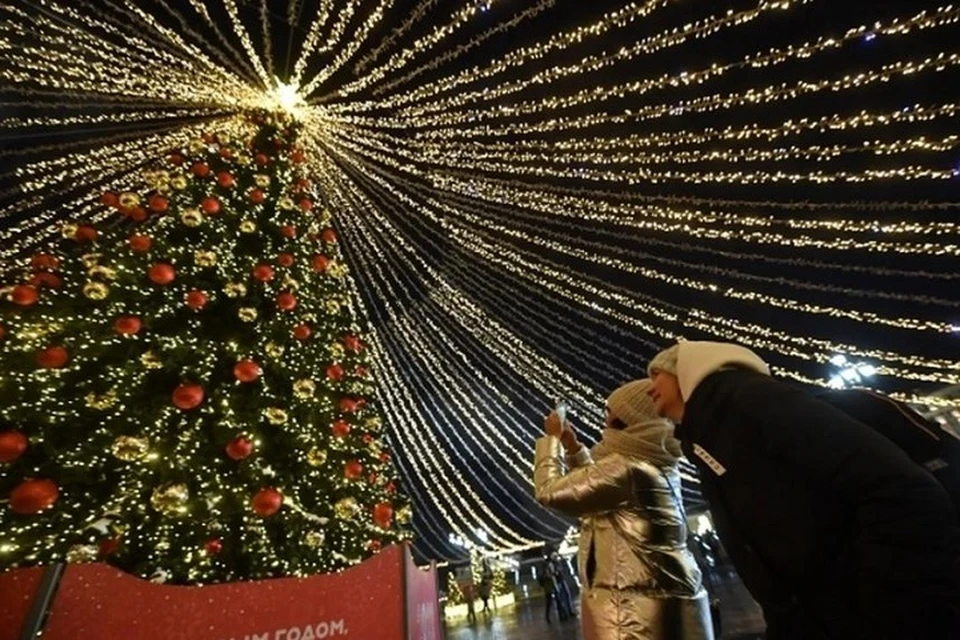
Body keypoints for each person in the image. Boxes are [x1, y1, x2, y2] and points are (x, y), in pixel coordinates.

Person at [646, 340, 960, 640]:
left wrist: (887, 607)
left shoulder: (748, 403)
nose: (649, 387)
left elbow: (898, 490)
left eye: (656, 375)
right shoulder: (707, 438)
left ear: (684, 371)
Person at [534, 380, 714, 639]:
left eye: (610, 413)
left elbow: (549, 492)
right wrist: (573, 449)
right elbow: (599, 491)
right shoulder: (652, 461)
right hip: (657, 602)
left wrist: (550, 440)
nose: (605, 421)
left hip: (634, 614)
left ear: (629, 417)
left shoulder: (628, 468)